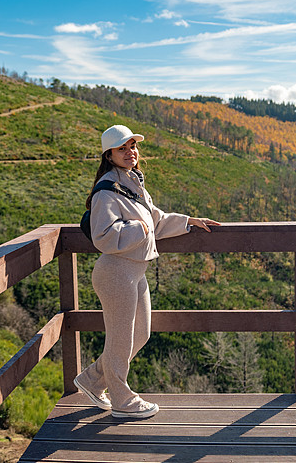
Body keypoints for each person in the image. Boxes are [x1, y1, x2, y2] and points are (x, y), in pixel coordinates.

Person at [73, 124, 220, 419]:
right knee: (120, 340)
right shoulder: (106, 190)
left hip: (134, 273)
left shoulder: (133, 182)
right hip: (116, 272)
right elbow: (104, 236)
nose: (131, 153)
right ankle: (122, 400)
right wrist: (139, 229)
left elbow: (157, 220)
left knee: (141, 333)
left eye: (133, 147)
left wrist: (190, 220)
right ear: (109, 154)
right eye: (122, 149)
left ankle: (91, 379)